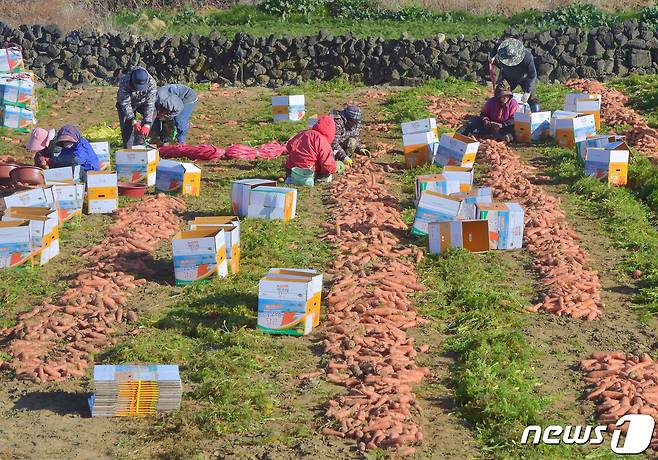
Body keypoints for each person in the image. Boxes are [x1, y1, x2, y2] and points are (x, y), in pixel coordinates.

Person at [490, 38, 540, 113]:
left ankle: (535, 118)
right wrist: (492, 56)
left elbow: (532, 75)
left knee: (532, 100)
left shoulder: (527, 57)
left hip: (525, 78)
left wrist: (528, 92)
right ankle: (500, 115)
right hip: (508, 77)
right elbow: (497, 46)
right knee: (500, 94)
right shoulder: (502, 48)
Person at [285, 115, 339, 181]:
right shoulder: (322, 141)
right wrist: (333, 169)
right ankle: (319, 180)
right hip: (307, 172)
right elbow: (328, 165)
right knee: (326, 169)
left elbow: (289, 146)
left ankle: (290, 178)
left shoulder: (303, 133)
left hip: (290, 169)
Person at [116, 66, 157, 148]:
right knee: (126, 123)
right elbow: (125, 102)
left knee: (153, 112)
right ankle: (129, 149)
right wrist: (132, 120)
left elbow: (150, 103)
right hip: (127, 104)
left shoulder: (151, 82)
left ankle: (140, 141)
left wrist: (147, 123)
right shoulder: (124, 82)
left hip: (142, 102)